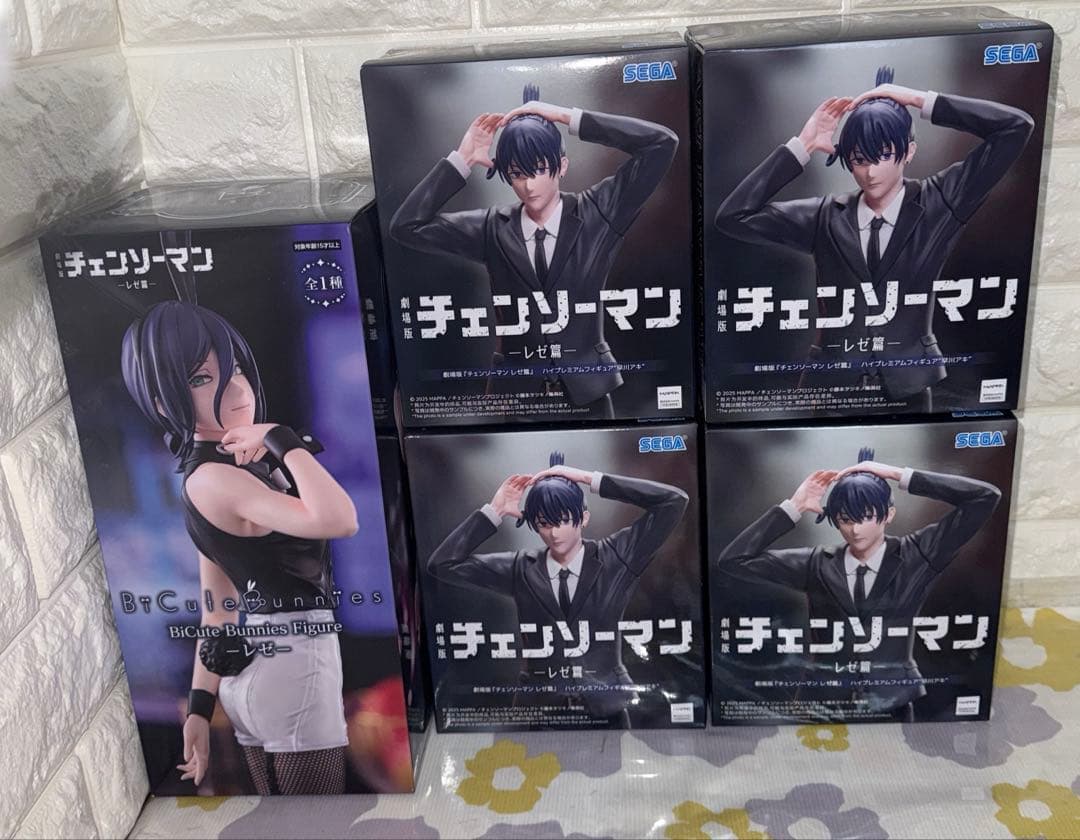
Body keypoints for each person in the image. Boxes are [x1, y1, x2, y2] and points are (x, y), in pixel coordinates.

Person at [121, 300, 358, 795]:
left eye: (236, 369)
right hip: (296, 664)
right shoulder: (216, 479)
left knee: (287, 819)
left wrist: (199, 709)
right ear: (164, 404)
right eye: (202, 379)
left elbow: (218, 609)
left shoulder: (213, 474)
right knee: (317, 822)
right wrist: (281, 438)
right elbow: (341, 519)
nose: (236, 389)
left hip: (256, 672)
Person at [715, 67, 1034, 411]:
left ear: (908, 151)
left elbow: (1015, 127)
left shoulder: (940, 202)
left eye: (882, 155)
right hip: (833, 390)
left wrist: (919, 100)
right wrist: (803, 145)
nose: (869, 171)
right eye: (858, 159)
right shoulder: (824, 216)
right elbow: (734, 216)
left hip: (909, 387)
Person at [390, 84, 679, 418]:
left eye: (539, 169)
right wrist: (462, 159)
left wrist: (566, 117)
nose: (528, 185)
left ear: (562, 165)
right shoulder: (491, 228)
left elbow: (662, 143)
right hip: (516, 397)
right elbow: (406, 226)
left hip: (588, 393)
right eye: (516, 174)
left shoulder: (598, 213)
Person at [716, 448, 1001, 721]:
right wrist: (794, 506)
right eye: (845, 519)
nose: (855, 529)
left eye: (865, 517)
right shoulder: (817, 563)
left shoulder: (917, 555)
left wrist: (897, 474)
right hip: (821, 702)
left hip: (892, 700)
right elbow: (734, 560)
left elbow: (985, 498)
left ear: (888, 514)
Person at [426, 452, 688, 727]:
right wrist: (495, 511)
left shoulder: (616, 557)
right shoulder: (520, 568)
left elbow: (674, 501)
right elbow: (443, 564)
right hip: (539, 712)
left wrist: (588, 479)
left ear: (583, 518)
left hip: (607, 708)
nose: (553, 532)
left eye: (562, 520)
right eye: (543, 523)